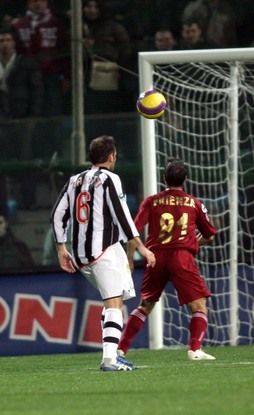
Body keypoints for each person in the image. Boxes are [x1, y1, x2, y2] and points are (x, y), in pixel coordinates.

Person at [51, 135, 156, 371]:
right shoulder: (109, 179)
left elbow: (58, 215)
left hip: (81, 254)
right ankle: (109, 359)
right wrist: (140, 246)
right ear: (111, 156)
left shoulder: (74, 180)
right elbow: (121, 213)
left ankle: (112, 352)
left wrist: (61, 249)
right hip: (102, 251)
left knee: (115, 298)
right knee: (114, 303)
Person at [118, 158, 217, 361]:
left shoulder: (151, 201)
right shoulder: (194, 203)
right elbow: (209, 235)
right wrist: (193, 243)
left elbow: (133, 231)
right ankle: (195, 349)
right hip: (182, 257)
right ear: (186, 179)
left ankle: (121, 349)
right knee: (199, 306)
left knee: (145, 306)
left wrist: (129, 259)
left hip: (156, 258)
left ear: (164, 178)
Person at [12, 0, 69, 116]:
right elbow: (17, 52)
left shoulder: (57, 23)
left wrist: (66, 76)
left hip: (51, 76)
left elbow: (64, 50)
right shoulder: (19, 25)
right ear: (28, 3)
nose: (38, 4)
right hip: (26, 78)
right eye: (34, 1)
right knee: (28, 112)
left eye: (42, 1)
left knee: (52, 111)